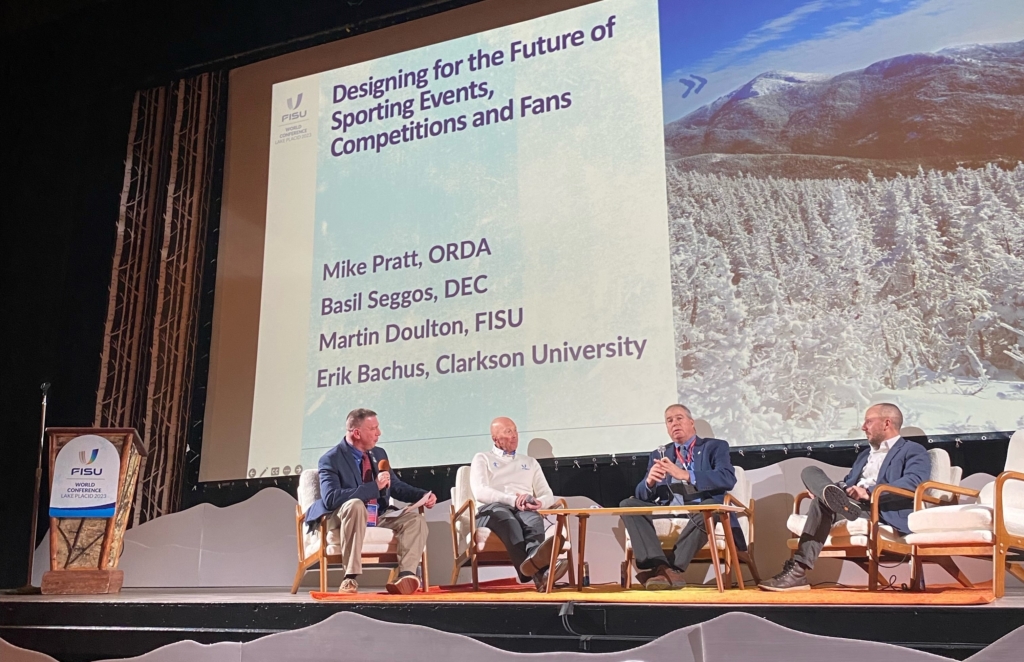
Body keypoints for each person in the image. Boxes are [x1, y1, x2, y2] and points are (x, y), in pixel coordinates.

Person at [758, 402, 930, 591]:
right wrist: (826, 489)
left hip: (879, 510)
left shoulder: (912, 450)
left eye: (868, 421)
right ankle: (828, 495)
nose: (863, 427)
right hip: (851, 504)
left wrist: (869, 493)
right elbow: (848, 481)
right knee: (810, 471)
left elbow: (914, 481)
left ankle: (797, 572)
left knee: (821, 503)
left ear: (886, 423)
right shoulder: (865, 455)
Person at [303, 408, 437, 594]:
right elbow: (331, 498)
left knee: (415, 520)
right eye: (373, 429)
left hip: (377, 514)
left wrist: (423, 495)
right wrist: (374, 487)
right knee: (355, 505)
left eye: (378, 427)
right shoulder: (331, 459)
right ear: (357, 433)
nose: (378, 433)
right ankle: (350, 578)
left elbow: (395, 486)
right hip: (344, 515)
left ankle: (405, 575)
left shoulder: (379, 454)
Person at [619, 404, 740, 590]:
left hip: (702, 509)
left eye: (679, 418)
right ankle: (663, 567)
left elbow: (727, 478)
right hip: (668, 509)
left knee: (710, 507)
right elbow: (641, 495)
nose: (674, 423)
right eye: (669, 421)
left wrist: (686, 475)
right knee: (628, 504)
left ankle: (666, 569)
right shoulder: (658, 454)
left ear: (691, 423)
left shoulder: (714, 447)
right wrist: (649, 482)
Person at [469, 417, 570, 592]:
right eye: (508, 431)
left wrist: (539, 503)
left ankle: (538, 574)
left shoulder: (530, 462)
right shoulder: (482, 458)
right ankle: (536, 572)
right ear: (495, 438)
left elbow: (548, 494)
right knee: (508, 520)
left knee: (534, 520)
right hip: (491, 510)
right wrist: (512, 500)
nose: (514, 435)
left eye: (515, 430)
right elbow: (480, 491)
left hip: (523, 508)